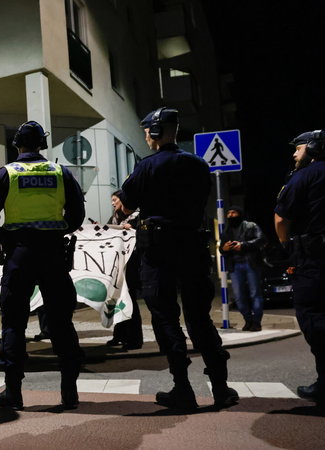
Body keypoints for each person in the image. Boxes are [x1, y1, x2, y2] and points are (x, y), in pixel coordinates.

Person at [120, 107, 238, 410]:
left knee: (165, 317)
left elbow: (125, 205)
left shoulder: (146, 167)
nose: (146, 136)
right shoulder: (199, 165)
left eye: (147, 132)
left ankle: (182, 389)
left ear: (155, 133)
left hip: (159, 251)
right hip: (193, 247)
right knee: (199, 318)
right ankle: (222, 388)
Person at [0, 120, 85, 410]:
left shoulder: (6, 174)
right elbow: (77, 216)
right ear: (43, 144)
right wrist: (56, 230)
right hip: (53, 254)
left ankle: (13, 392)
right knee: (62, 322)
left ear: (17, 145)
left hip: (19, 255)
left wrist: (5, 237)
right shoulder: (61, 173)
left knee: (14, 323)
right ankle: (69, 393)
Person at [274, 130, 325, 411]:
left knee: (314, 319)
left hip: (315, 260)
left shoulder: (304, 176)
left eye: (298, 149)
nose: (295, 154)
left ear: (314, 147)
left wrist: (286, 246)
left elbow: (281, 218)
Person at [106, 190, 144, 350]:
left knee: (130, 302)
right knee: (117, 300)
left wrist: (131, 228)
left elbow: (140, 238)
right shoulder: (114, 218)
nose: (113, 203)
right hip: (118, 267)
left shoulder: (136, 218)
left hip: (131, 267)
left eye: (115, 200)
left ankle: (135, 339)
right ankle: (119, 335)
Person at [219, 206, 267, 332]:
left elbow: (262, 239)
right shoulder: (226, 231)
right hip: (235, 266)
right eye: (229, 213)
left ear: (240, 214)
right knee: (239, 297)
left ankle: (256, 322)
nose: (230, 215)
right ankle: (248, 320)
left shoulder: (250, 226)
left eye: (233, 212)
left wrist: (243, 245)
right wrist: (224, 248)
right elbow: (222, 248)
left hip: (250, 263)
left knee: (255, 293)